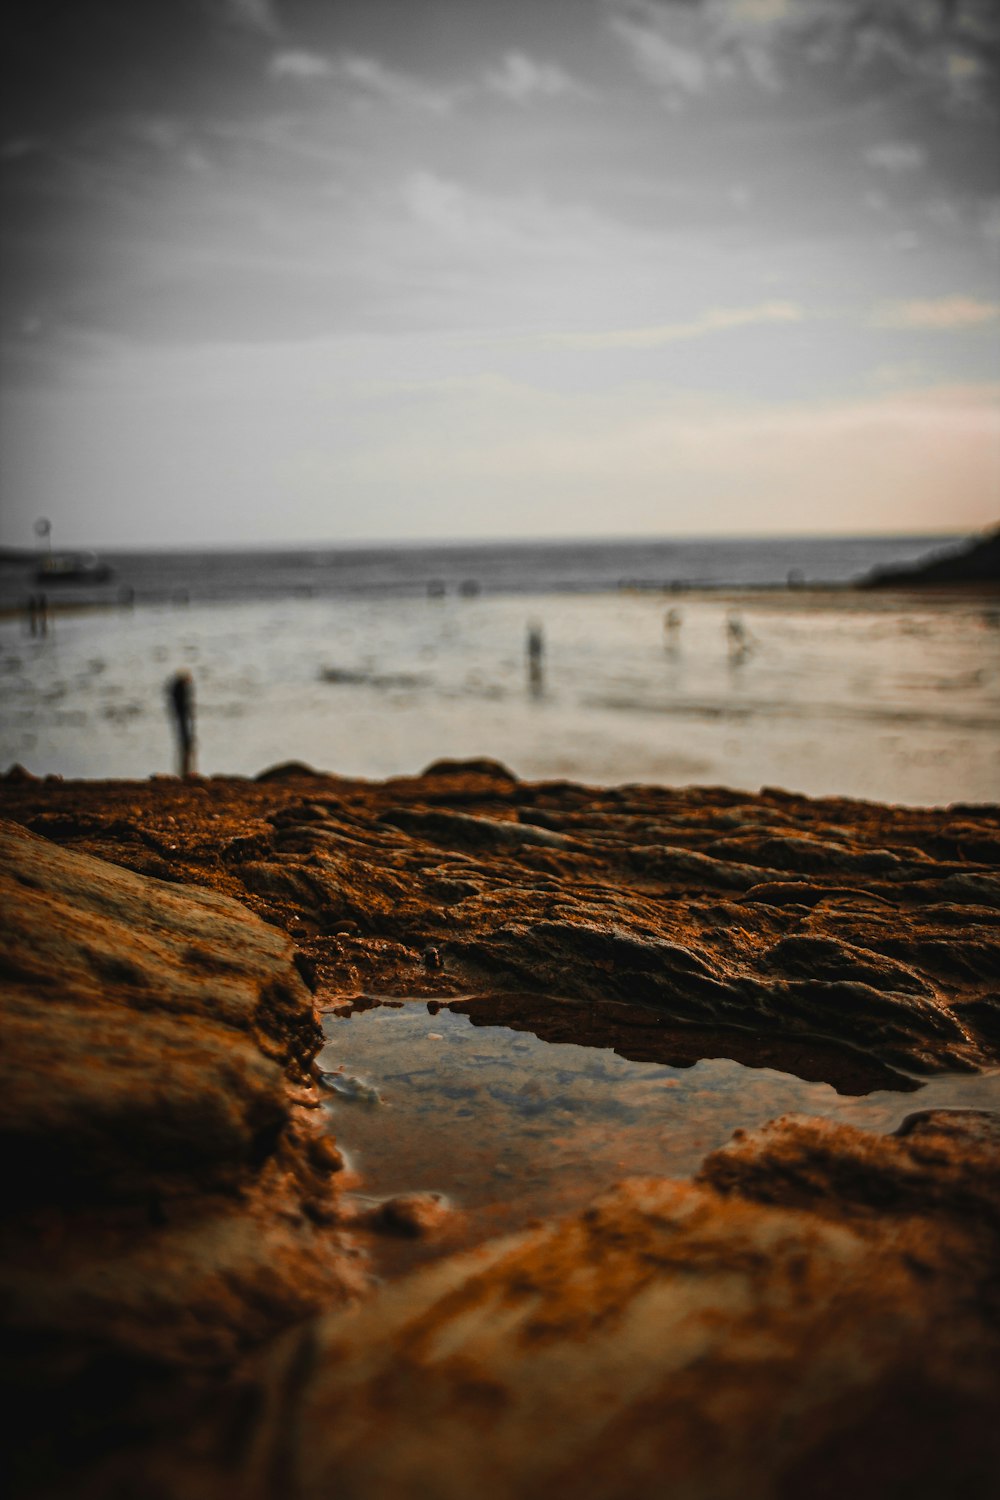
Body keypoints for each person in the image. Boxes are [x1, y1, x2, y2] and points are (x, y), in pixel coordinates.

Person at [166, 670, 196, 776]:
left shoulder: (176, 687)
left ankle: (186, 744)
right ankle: (186, 743)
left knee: (183, 729)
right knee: (184, 729)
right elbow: (184, 701)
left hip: (180, 712)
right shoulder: (180, 687)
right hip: (182, 712)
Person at [526, 622, 544, 695]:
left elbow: (531, 650)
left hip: (534, 656)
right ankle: (535, 684)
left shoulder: (534, 637)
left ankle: (535, 684)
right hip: (535, 657)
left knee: (534, 669)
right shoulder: (536, 637)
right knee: (535, 669)